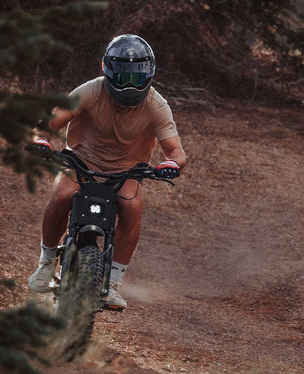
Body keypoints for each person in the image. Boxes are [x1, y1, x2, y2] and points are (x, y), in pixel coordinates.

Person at [27, 34, 187, 310]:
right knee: (62, 194)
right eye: (122, 77)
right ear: (107, 70)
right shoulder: (89, 91)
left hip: (126, 171)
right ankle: (46, 263)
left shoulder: (157, 105)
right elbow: (47, 124)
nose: (128, 85)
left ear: (149, 75)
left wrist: (171, 164)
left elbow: (177, 151)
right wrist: (41, 140)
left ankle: (112, 283)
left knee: (132, 206)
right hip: (80, 161)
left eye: (136, 79)